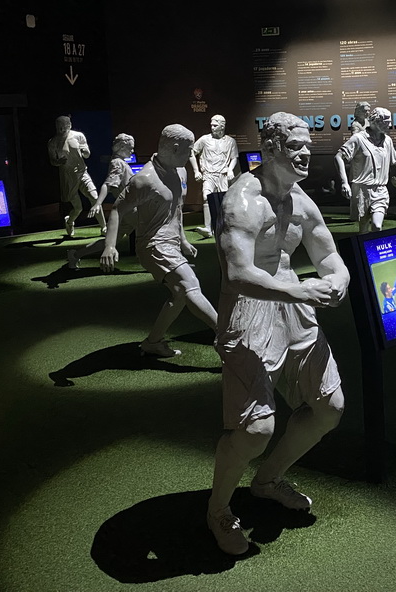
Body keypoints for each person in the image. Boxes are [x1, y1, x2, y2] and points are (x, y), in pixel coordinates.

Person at [207, 112, 349, 556]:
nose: (306, 153)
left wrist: (339, 278)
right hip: (252, 310)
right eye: (295, 146)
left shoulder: (301, 201)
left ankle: (267, 481)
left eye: (308, 145)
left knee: (329, 407)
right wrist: (300, 289)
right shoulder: (243, 201)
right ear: (270, 149)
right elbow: (238, 274)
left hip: (294, 308)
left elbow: (328, 255)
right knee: (255, 429)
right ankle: (217, 510)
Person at [100, 125, 217, 358]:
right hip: (152, 245)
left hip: (171, 244)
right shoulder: (144, 180)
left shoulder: (180, 171)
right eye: (188, 150)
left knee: (179, 294)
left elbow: (177, 210)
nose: (191, 155)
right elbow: (116, 211)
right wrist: (109, 245)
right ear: (174, 148)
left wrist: (182, 239)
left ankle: (153, 342)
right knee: (189, 283)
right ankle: (226, 332)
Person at [334, 106, 396, 233]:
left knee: (377, 226)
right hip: (362, 190)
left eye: (389, 123)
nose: (388, 126)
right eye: (385, 123)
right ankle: (364, 251)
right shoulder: (359, 138)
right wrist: (344, 182)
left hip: (380, 190)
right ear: (374, 121)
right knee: (363, 228)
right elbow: (339, 157)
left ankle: (373, 250)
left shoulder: (387, 141)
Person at [68, 133, 136, 269]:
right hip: (129, 209)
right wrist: (98, 203)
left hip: (128, 209)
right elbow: (108, 184)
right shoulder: (117, 163)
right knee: (152, 230)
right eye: (130, 148)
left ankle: (76, 254)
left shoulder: (120, 163)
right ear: (121, 147)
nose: (132, 151)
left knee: (110, 240)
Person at [47, 115, 106, 237]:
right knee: (78, 208)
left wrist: (84, 151)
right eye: (59, 127)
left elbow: (87, 154)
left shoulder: (78, 136)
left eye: (64, 127)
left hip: (82, 172)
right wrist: (59, 162)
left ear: (69, 126)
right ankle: (69, 221)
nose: (62, 130)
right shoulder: (53, 142)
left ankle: (104, 227)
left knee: (94, 198)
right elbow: (53, 161)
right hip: (67, 176)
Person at [189, 114, 238, 238]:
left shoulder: (230, 141)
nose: (212, 127)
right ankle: (208, 228)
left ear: (222, 126)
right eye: (211, 125)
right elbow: (191, 153)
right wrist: (196, 170)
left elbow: (234, 157)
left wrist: (231, 170)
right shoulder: (205, 140)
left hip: (223, 175)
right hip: (209, 174)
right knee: (207, 197)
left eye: (215, 125)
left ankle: (226, 227)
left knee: (225, 201)